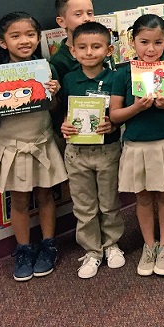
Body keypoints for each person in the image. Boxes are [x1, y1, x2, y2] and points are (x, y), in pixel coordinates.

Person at [0, 12, 67, 281]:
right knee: (19, 199)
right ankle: (23, 249)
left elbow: (55, 109)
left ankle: (48, 244)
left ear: (38, 37)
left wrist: (54, 92)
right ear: (2, 43)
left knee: (47, 195)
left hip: (42, 140)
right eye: (16, 36)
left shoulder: (47, 68)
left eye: (30, 35)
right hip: (12, 145)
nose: (25, 41)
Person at [110, 14, 164, 277]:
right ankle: (149, 245)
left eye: (158, 43)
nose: (150, 49)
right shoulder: (123, 73)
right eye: (144, 42)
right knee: (143, 196)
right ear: (132, 41)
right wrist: (136, 107)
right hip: (137, 144)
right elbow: (114, 116)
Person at [59, 22, 125, 279]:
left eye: (96, 47)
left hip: (107, 150)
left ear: (108, 50)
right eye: (82, 48)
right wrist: (65, 124)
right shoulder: (69, 78)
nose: (89, 52)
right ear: (73, 51)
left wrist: (113, 122)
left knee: (109, 203)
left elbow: (119, 113)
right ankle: (92, 250)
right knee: (84, 205)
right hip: (77, 151)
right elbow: (66, 111)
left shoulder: (115, 77)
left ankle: (112, 244)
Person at [50, 0, 95, 78]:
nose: (86, 19)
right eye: (78, 14)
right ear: (62, 22)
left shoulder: (102, 48)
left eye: (89, 13)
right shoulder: (59, 61)